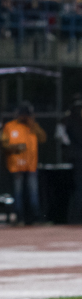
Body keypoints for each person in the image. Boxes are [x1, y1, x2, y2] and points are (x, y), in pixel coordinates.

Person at [1, 102, 46, 225]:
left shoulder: (32, 127)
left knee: (33, 192)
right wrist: (15, 147)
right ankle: (19, 217)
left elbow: (43, 138)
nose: (26, 117)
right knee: (18, 192)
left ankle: (34, 217)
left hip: (30, 165)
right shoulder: (10, 126)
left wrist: (33, 125)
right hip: (16, 165)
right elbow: (4, 144)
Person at [59, 94, 82, 224]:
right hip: (79, 157)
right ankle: (77, 217)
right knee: (79, 188)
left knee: (78, 188)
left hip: (75, 156)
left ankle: (76, 216)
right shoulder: (75, 121)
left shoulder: (69, 120)